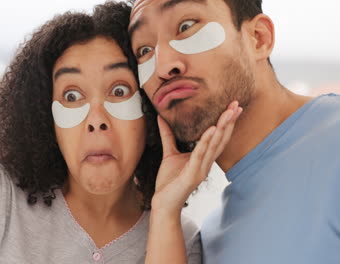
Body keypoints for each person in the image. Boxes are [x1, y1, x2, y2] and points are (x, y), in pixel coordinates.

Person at [0, 2, 239, 263]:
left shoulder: (180, 239)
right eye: (72, 96)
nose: (96, 120)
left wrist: (166, 212)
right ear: (46, 118)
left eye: (119, 91)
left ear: (150, 110)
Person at [127, 0, 340, 263]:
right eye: (144, 49)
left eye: (186, 26)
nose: (162, 67)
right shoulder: (211, 240)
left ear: (258, 39)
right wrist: (165, 211)